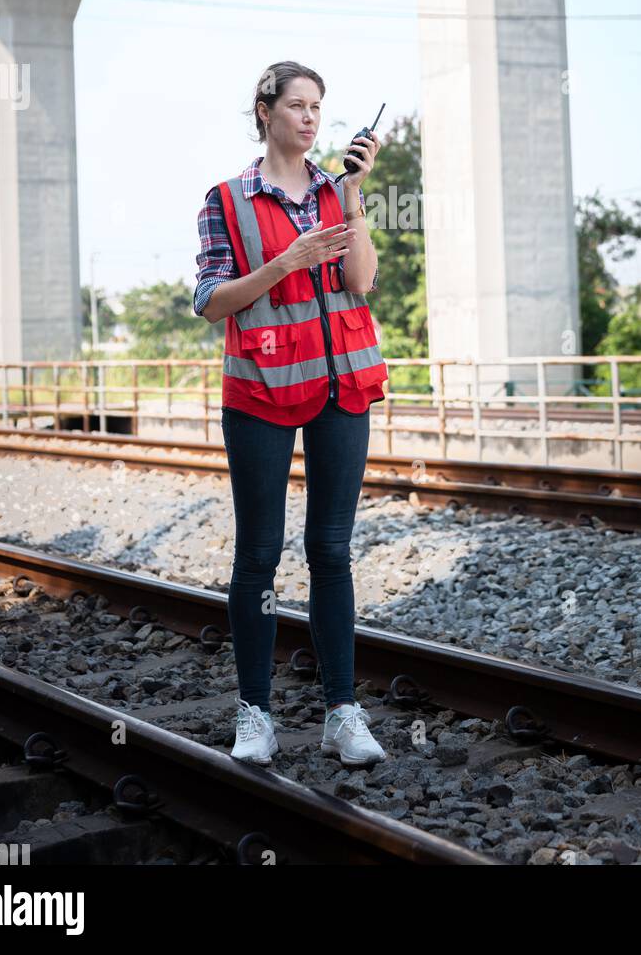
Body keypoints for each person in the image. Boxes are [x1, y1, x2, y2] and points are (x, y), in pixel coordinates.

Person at [193, 60, 388, 767]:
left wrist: (356, 194)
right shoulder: (226, 198)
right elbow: (212, 300)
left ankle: (343, 713)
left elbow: (360, 283)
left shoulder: (340, 193)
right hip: (261, 392)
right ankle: (256, 716)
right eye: (297, 105)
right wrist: (286, 260)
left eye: (318, 108)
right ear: (265, 110)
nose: (309, 119)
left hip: (342, 389)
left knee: (331, 552)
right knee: (259, 557)